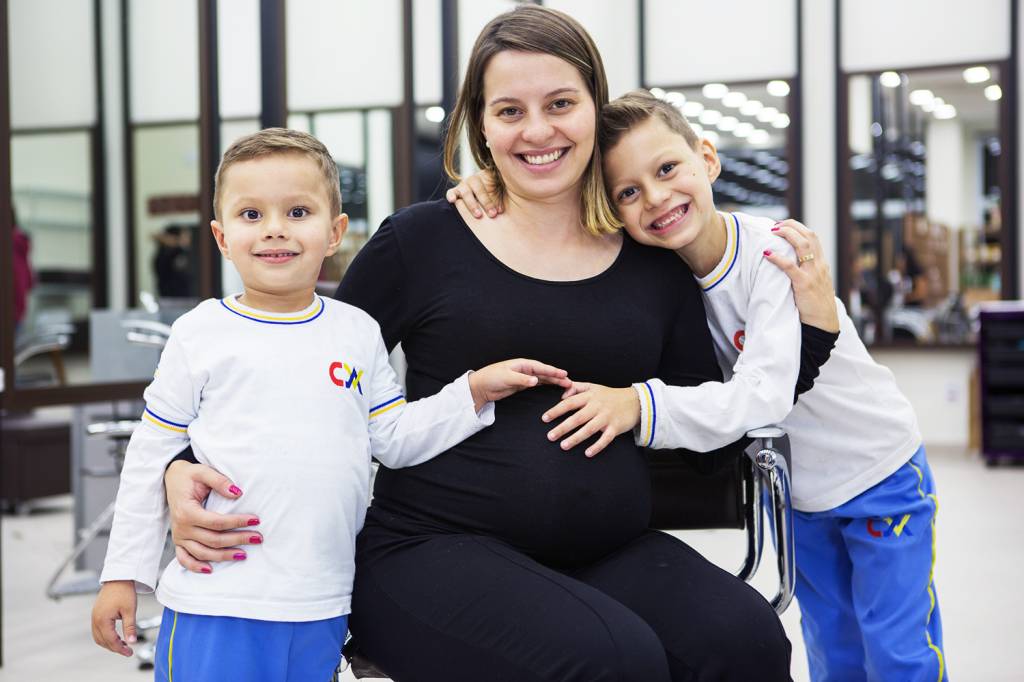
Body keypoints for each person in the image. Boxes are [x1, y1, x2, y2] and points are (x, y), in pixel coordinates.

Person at [163, 7, 839, 680]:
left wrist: (807, 335)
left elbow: (714, 435)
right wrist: (182, 463)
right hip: (429, 550)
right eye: (510, 110)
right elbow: (301, 363)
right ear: (480, 124)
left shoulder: (651, 260)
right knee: (613, 663)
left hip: (607, 550)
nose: (538, 130)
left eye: (561, 103)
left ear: (594, 110)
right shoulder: (421, 242)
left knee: (747, 641)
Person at [90, 128, 570, 682]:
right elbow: (154, 451)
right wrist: (122, 576)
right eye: (251, 215)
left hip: (321, 603)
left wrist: (472, 392)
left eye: (297, 211)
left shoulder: (357, 331)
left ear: (335, 232)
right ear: (221, 237)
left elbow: (392, 437)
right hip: (217, 600)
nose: (274, 229)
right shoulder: (200, 333)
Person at [532, 91, 942, 681]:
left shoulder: (773, 255)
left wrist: (638, 406)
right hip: (801, 497)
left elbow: (764, 394)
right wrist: (487, 188)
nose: (656, 197)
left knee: (898, 650)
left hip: (879, 473)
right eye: (628, 191)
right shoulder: (656, 282)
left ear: (708, 158)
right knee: (834, 649)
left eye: (668, 168)